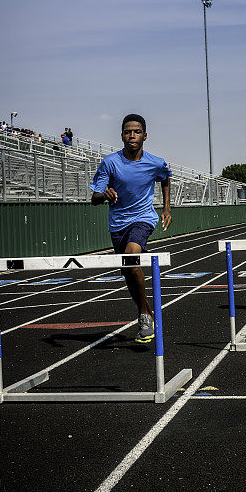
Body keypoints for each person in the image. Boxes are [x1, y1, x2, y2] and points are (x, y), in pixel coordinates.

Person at [90, 114, 172, 344]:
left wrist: (166, 208)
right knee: (128, 271)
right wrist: (103, 194)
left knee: (132, 255)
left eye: (136, 131)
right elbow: (94, 198)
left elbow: (165, 178)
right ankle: (145, 311)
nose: (132, 135)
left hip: (143, 217)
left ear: (145, 136)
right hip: (118, 223)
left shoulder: (155, 162)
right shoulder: (110, 163)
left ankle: (145, 316)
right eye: (127, 132)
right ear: (122, 136)